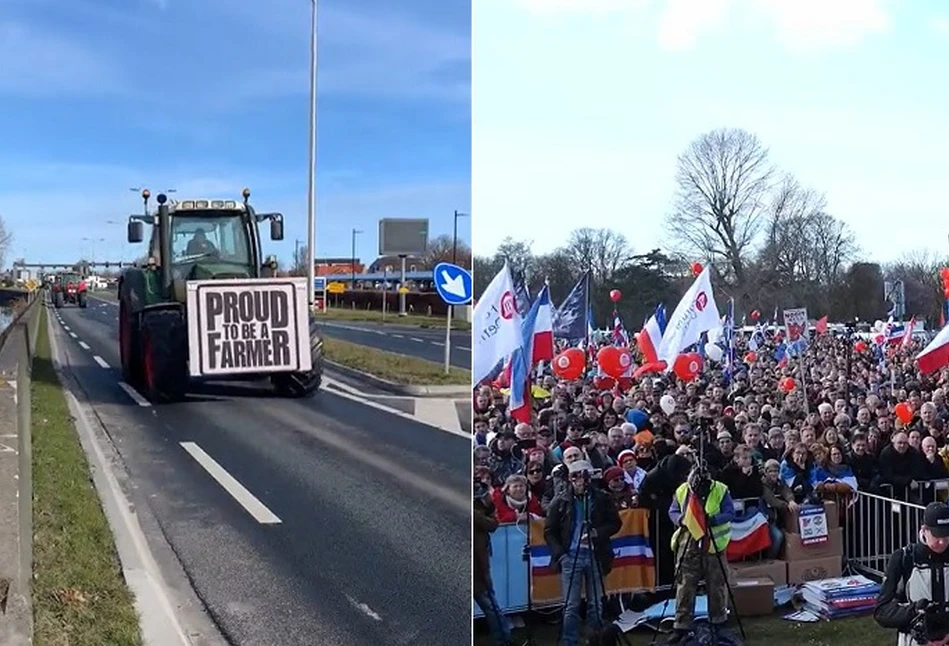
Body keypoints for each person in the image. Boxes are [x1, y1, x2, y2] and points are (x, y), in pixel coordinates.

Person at [544, 460, 622, 646]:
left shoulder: (601, 498)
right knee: (571, 605)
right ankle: (568, 641)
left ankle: (594, 640)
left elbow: (615, 523)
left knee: (596, 603)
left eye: (583, 476)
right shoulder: (561, 500)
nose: (580, 481)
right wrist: (561, 555)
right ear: (570, 479)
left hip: (595, 555)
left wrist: (597, 533)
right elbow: (549, 531)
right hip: (571, 556)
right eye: (575, 476)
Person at [666, 466, 736, 643]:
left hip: (713, 545)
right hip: (688, 545)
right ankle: (681, 625)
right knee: (685, 586)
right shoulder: (682, 490)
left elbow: (729, 512)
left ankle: (718, 622)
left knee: (717, 584)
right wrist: (682, 520)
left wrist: (712, 520)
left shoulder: (721, 489)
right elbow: (672, 511)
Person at [875, 501, 949, 646]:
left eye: (946, 536)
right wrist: (915, 612)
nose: (942, 542)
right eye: (936, 536)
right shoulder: (904, 558)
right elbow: (882, 612)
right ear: (924, 530)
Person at [473, 478, 513, 646]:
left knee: (491, 606)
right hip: (475, 564)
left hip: (480, 565)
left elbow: (493, 524)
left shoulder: (483, 507)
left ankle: (503, 639)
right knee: (490, 606)